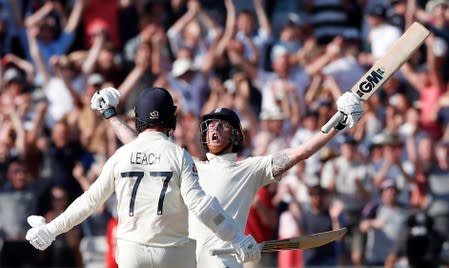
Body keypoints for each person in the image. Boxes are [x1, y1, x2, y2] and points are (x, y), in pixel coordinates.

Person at [90, 86, 363, 267]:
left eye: (222, 125)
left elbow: (301, 152)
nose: (213, 130)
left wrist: (337, 122)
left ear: (235, 134)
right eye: (209, 125)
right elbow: (138, 142)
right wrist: (110, 115)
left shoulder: (249, 169)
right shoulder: (189, 164)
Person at [24, 87, 260, 268]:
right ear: (171, 119)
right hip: (173, 254)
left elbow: (90, 201)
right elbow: (202, 206)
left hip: (131, 253)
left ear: (139, 118)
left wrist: (51, 230)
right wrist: (236, 237)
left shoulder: (122, 155)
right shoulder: (179, 156)